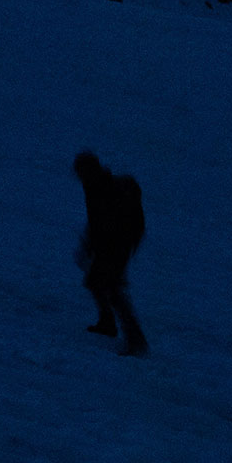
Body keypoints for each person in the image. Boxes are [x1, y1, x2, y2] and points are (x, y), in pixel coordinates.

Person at [72, 150, 148, 356]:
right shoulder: (93, 185)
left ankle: (136, 340)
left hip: (116, 245)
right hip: (109, 245)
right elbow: (95, 221)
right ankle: (108, 323)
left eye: (80, 171)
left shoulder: (103, 187)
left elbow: (108, 223)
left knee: (113, 290)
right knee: (95, 282)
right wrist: (89, 245)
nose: (78, 176)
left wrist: (97, 246)